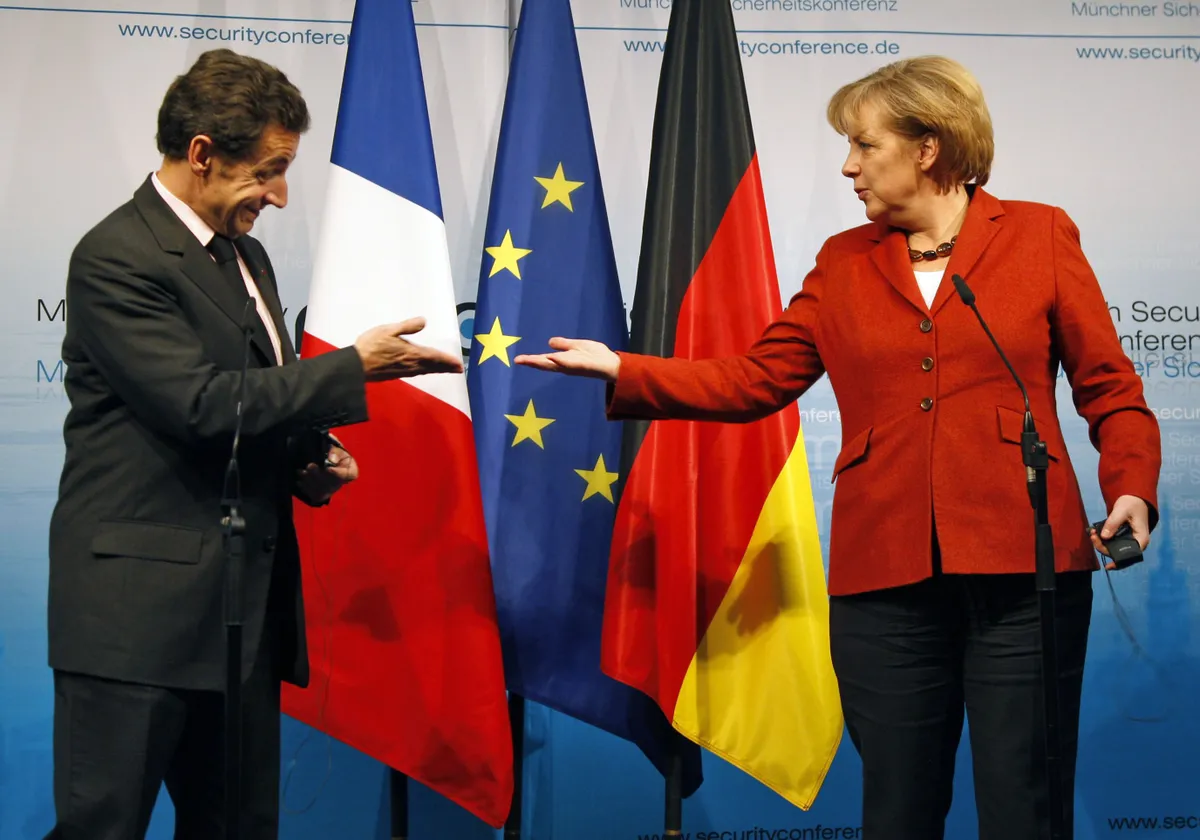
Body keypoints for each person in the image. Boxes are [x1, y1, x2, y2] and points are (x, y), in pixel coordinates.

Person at [516, 55, 1161, 840]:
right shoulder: (842, 260)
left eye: (864, 145)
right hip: (884, 574)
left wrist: (1130, 484)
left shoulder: (1039, 235)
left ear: (928, 146)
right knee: (897, 808)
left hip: (1024, 573)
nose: (848, 166)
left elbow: (1109, 387)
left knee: (1024, 803)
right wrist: (625, 368)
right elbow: (756, 379)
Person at [45, 48, 462, 840]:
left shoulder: (247, 255)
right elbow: (197, 404)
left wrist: (305, 456)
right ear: (202, 152)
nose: (277, 194)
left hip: (241, 620)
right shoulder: (116, 257)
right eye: (268, 170)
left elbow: (246, 405)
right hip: (135, 628)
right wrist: (354, 368)